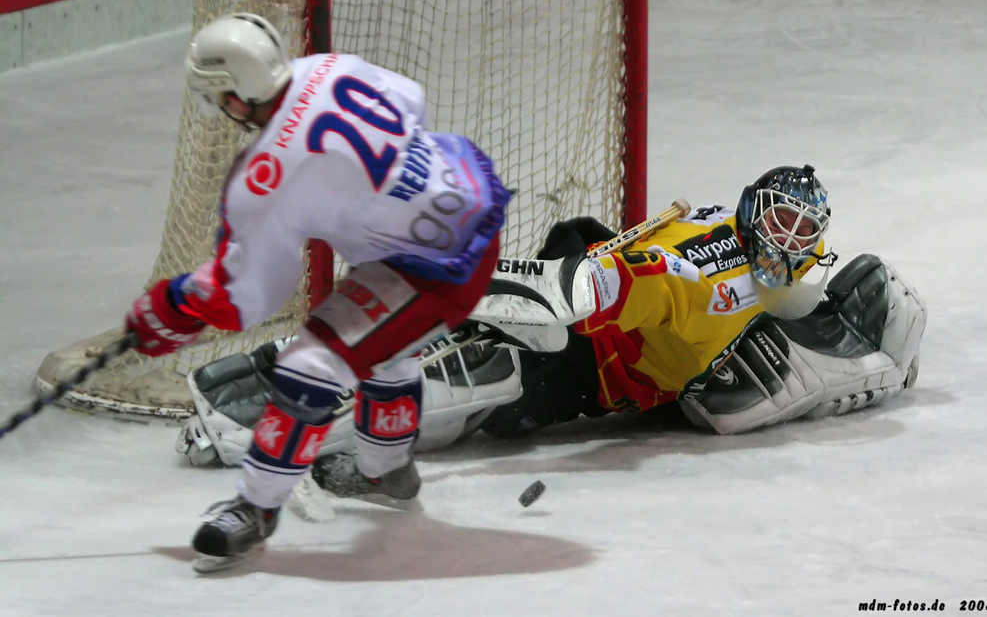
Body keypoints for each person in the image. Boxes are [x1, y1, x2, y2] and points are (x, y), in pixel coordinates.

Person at [177, 165, 926, 490]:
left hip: (596, 334)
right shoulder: (693, 269)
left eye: (806, 227)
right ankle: (262, 417)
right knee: (477, 373)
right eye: (781, 220)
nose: (792, 239)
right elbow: (577, 291)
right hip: (579, 350)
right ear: (750, 212)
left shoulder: (775, 272)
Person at [125, 13, 510, 572]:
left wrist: (174, 307)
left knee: (311, 363)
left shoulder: (266, 176)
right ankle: (387, 470)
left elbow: (247, 297)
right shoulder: (328, 68)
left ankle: (255, 510)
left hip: (437, 267)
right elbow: (411, 98)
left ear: (236, 95)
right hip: (469, 185)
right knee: (379, 347)